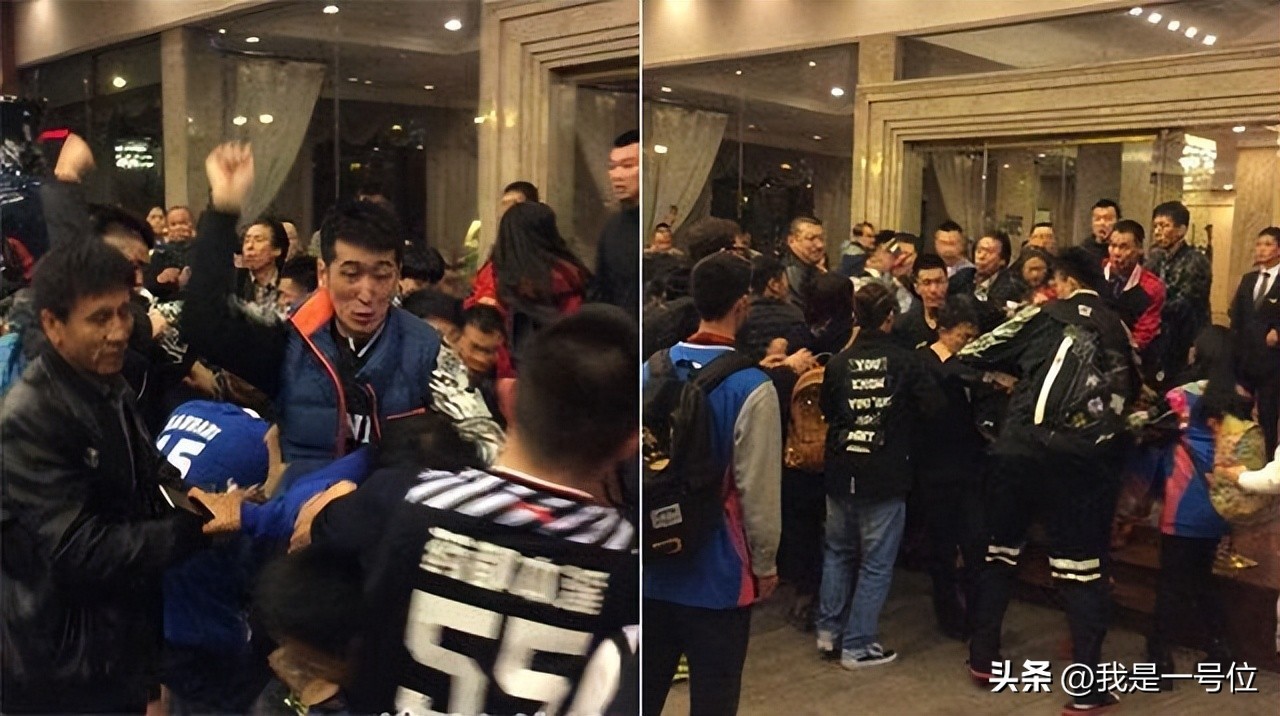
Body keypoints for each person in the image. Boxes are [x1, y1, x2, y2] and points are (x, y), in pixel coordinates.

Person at [306, 306, 640, 714]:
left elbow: (312, 550)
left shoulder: (411, 499)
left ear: (510, 399)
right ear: (630, 443)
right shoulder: (626, 567)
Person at [0, 240, 241, 712]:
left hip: (116, 641)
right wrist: (196, 530)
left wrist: (195, 497)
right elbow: (79, 549)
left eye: (123, 313)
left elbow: (148, 467)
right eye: (98, 319)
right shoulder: (29, 419)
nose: (117, 332)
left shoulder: (105, 383)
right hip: (61, 661)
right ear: (53, 325)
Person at [183, 142, 497, 484]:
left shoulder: (427, 349)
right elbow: (204, 323)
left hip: (388, 508)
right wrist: (223, 208)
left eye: (382, 275)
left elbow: (487, 441)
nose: (367, 293)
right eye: (351, 274)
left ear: (397, 275)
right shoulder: (291, 337)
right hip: (303, 507)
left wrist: (431, 457)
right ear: (323, 273)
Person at [959, 247, 1138, 714]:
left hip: (1016, 450)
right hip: (1077, 460)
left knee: (1001, 552)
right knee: (1081, 571)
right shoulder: (1117, 328)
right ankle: (1086, 689)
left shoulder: (1041, 315)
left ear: (1064, 281)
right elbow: (1131, 391)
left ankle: (983, 657)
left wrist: (1011, 380)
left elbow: (974, 352)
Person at [643, 252, 781, 716]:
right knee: (714, 702)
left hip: (652, 563)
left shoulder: (650, 370)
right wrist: (765, 564)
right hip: (719, 571)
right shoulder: (753, 386)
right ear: (742, 305)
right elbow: (757, 490)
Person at [816, 281, 942, 667]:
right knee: (875, 563)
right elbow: (932, 408)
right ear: (890, 317)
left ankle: (828, 632)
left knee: (837, 552)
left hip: (841, 468)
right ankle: (857, 645)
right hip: (885, 472)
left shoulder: (838, 362)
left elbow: (828, 410)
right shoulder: (906, 361)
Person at [1146, 326, 1241, 680]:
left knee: (1171, 581)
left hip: (1183, 501)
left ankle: (1160, 660)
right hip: (1219, 502)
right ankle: (1222, 650)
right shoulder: (1241, 399)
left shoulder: (1181, 397)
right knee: (1202, 578)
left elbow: (1147, 426)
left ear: (1199, 353)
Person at [914, 295, 985, 640]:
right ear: (944, 330)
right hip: (935, 469)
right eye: (963, 336)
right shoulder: (923, 364)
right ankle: (949, 615)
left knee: (974, 543)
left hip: (968, 467)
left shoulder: (969, 367)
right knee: (941, 547)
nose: (967, 344)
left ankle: (976, 613)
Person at [465, 200, 590, 375]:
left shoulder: (494, 276)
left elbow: (482, 335)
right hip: (559, 375)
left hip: (507, 377)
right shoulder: (570, 275)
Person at [1228, 226, 1280, 455]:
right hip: (1245, 358)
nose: (1261, 249)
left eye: (1267, 244)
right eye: (1259, 244)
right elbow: (1236, 316)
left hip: (1272, 361)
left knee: (1268, 414)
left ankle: (1268, 458)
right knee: (1240, 411)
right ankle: (1243, 457)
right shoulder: (1249, 279)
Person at [1149, 200, 1211, 387]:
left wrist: (1150, 309)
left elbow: (1185, 303)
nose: (1157, 231)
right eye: (1155, 226)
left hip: (1185, 341)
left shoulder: (1195, 260)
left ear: (1181, 230)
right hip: (1158, 340)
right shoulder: (1155, 259)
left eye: (1164, 226)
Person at [1103, 219, 1166, 375]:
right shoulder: (1095, 272)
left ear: (1139, 249)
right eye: (1112, 245)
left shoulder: (1152, 287)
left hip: (1127, 362)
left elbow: (1142, 336)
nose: (1116, 253)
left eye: (1124, 247)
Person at [591, 130, 641, 319]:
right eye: (612, 167)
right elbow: (602, 290)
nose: (616, 175)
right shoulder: (612, 228)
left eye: (627, 165)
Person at [236, 216, 289, 321]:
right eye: (246, 240)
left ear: (277, 250)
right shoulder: (235, 283)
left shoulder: (290, 282)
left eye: (258, 240)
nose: (249, 246)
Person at [893, 253, 949, 350]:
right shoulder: (902, 326)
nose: (933, 289)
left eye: (939, 281)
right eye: (926, 283)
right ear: (916, 287)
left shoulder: (962, 319)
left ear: (947, 282)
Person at [781, 216, 827, 309]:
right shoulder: (790, 273)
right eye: (811, 239)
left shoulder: (812, 268)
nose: (820, 245)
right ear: (791, 241)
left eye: (821, 238)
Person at [1082, 199, 1120, 266]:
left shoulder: (1122, 250)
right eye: (1097, 219)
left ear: (1118, 222)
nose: (1102, 223)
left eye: (1108, 219)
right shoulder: (1083, 251)